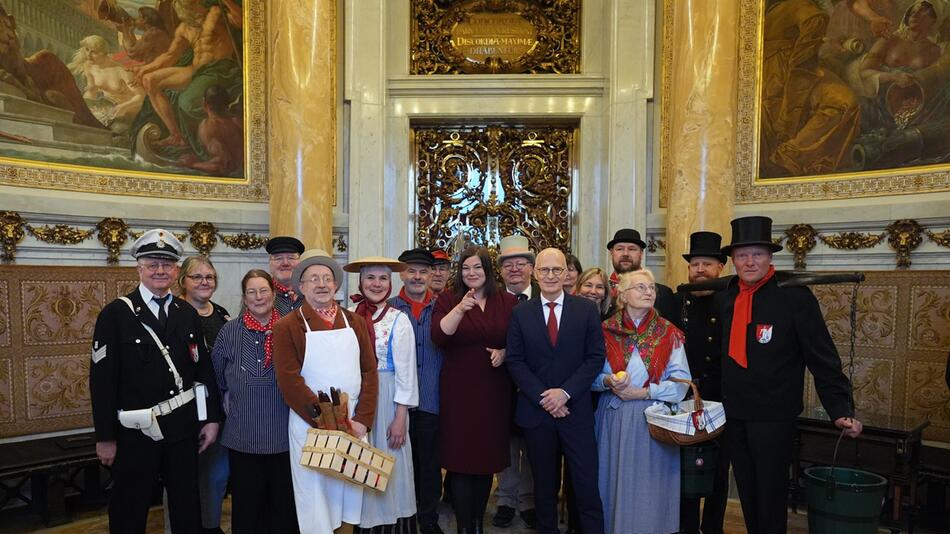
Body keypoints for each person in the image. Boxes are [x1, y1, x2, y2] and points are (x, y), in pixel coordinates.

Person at [715, 216, 862, 534]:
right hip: (734, 412)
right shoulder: (726, 298)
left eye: (756, 254)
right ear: (734, 260)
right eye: (742, 255)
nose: (749, 261)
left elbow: (822, 357)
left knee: (770, 494)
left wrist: (841, 409)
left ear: (769, 257)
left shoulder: (795, 298)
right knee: (747, 491)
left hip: (773, 416)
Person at [89, 229, 222, 533]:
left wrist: (211, 418)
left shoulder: (186, 313)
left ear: (176, 270)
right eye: (152, 264)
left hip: (182, 429)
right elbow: (102, 381)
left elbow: (202, 371)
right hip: (135, 432)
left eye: (167, 264)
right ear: (139, 268)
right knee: (129, 507)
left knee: (186, 505)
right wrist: (105, 436)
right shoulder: (116, 314)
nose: (160, 270)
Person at [273, 249, 379, 534]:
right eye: (313, 279)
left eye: (327, 278)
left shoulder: (355, 321)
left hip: (354, 425)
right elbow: (289, 380)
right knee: (316, 496)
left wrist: (361, 419)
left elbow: (370, 372)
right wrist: (328, 422)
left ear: (336, 285)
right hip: (312, 425)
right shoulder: (286, 327)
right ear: (302, 286)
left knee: (350, 490)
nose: (321, 284)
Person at [505, 248, 606, 534]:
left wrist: (564, 393)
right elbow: (515, 360)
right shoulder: (520, 313)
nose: (550, 276)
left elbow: (595, 357)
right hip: (538, 415)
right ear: (535, 274)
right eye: (544, 270)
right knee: (544, 490)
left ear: (567, 275)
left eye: (557, 270)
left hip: (577, 412)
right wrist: (545, 397)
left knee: (586, 487)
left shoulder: (585, 309)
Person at [595, 269, 691, 534]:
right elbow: (589, 376)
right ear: (622, 296)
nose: (648, 291)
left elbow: (682, 385)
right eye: (640, 287)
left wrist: (645, 393)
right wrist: (607, 381)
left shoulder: (669, 333)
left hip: (653, 421)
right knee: (613, 484)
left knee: (651, 488)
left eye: (651, 288)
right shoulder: (604, 330)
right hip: (613, 418)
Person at [432, 247, 518, 534]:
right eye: (466, 268)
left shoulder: (506, 301)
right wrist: (460, 309)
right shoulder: (448, 298)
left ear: (488, 271)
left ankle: (478, 524)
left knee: (485, 460)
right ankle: (464, 527)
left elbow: (520, 342)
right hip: (459, 390)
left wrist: (505, 352)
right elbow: (439, 335)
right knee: (460, 460)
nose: (471, 273)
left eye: (477, 268)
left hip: (494, 391)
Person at [211, 270, 298, 534]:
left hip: (285, 437)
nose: (258, 297)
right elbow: (217, 377)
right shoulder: (229, 332)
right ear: (244, 297)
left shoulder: (292, 327)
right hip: (243, 437)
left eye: (264, 291)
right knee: (248, 511)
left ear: (273, 294)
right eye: (252, 292)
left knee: (284, 510)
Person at [343, 256, 420, 533]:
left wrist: (401, 417)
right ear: (360, 281)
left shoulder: (399, 320)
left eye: (383, 278)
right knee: (356, 460)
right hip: (356, 398)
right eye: (370, 278)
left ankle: (389, 523)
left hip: (387, 400)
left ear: (390, 283)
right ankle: (358, 521)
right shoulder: (348, 315)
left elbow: (407, 373)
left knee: (389, 461)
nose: (376, 284)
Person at [670, 232, 729, 534]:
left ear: (721, 267)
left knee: (718, 470)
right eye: (695, 264)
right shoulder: (678, 301)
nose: (700, 270)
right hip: (683, 398)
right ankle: (686, 528)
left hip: (721, 399)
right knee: (684, 466)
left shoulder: (730, 302)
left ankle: (714, 527)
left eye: (707, 263)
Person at [389, 248, 446, 534]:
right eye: (411, 270)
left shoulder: (443, 308)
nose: (417, 276)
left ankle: (428, 519)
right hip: (397, 403)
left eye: (423, 271)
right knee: (400, 463)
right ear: (402, 273)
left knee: (430, 465)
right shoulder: (388, 308)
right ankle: (403, 516)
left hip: (432, 398)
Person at [176, 256, 231, 534]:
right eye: (197, 277)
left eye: (209, 276)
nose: (204, 282)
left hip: (219, 406)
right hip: (184, 408)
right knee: (182, 477)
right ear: (183, 281)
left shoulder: (222, 314)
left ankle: (211, 526)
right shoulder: (174, 313)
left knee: (216, 474)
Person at [492, 234, 537, 529]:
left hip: (536, 386)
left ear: (532, 268)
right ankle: (506, 499)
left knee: (534, 447)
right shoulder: (493, 301)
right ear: (501, 270)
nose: (515, 269)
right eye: (509, 264)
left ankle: (530, 500)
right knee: (505, 446)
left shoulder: (546, 298)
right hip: (501, 385)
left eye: (522, 263)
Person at [606, 228, 676, 319]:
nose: (626, 254)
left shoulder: (663, 294)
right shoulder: (601, 291)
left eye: (632, 249)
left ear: (641, 253)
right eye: (619, 249)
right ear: (611, 253)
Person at [266, 236, 305, 316]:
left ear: (300, 263)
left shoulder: (311, 292)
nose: (285, 263)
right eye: (278, 258)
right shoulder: (259, 295)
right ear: (270, 264)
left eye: (291, 258)